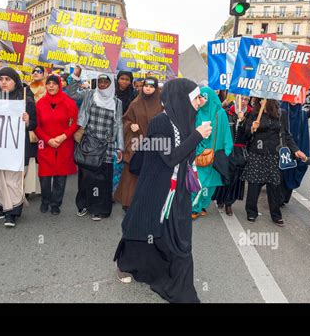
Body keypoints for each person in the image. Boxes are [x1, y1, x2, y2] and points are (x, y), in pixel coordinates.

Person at [113, 78, 211, 303]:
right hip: (155, 188)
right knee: (142, 228)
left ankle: (181, 289)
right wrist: (197, 136)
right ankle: (125, 264)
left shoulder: (187, 119)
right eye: (196, 97)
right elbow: (169, 158)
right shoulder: (160, 123)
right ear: (181, 98)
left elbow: (185, 157)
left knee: (180, 238)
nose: (201, 101)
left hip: (178, 192)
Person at [66, 68, 124, 221]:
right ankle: (84, 204)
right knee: (86, 176)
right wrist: (76, 75)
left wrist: (120, 147)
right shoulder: (90, 95)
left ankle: (99, 208)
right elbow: (71, 93)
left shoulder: (117, 102)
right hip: (89, 143)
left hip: (107, 146)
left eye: (106, 82)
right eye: (100, 81)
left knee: (103, 179)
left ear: (111, 84)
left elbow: (118, 124)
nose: (103, 84)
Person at [243, 99, 306, 227]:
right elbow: (246, 134)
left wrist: (296, 150)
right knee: (254, 184)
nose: (260, 102)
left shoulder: (281, 113)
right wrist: (251, 129)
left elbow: (287, 135)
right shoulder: (254, 114)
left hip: (274, 154)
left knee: (274, 186)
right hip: (257, 153)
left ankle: (276, 215)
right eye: (258, 99)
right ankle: (251, 212)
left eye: (262, 99)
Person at [0, 67, 37, 227]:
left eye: (7, 79)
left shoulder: (25, 99)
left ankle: (13, 213)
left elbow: (34, 125)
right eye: (1, 79)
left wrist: (28, 120)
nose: (3, 82)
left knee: (13, 180)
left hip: (17, 147)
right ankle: (2, 206)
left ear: (15, 81)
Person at [114, 77, 163, 211]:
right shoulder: (135, 103)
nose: (148, 88)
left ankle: (146, 204)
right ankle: (128, 204)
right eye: (146, 85)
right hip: (136, 144)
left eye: (152, 86)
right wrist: (131, 125)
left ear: (156, 88)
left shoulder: (161, 105)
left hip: (154, 145)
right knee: (132, 175)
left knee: (150, 175)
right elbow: (124, 120)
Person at [35, 75, 79, 216]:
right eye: (49, 83)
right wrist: (48, 140)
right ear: (46, 86)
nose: (51, 86)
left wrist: (63, 137)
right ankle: (45, 200)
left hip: (64, 143)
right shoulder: (40, 103)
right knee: (45, 177)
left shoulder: (69, 103)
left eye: (54, 83)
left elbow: (76, 123)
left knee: (60, 177)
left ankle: (55, 204)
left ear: (60, 85)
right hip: (45, 144)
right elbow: (36, 126)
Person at [191, 87, 233, 220]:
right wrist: (197, 149)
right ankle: (194, 207)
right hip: (200, 154)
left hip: (215, 156)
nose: (200, 100)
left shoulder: (220, 113)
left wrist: (227, 150)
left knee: (211, 184)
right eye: (198, 97)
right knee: (199, 182)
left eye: (202, 97)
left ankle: (203, 205)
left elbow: (226, 132)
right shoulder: (196, 112)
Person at [213, 95, 253, 216]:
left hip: (240, 150)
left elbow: (249, 136)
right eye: (242, 99)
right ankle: (220, 198)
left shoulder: (251, 114)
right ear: (236, 98)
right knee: (224, 174)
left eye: (247, 100)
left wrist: (245, 122)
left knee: (236, 178)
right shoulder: (227, 112)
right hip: (226, 148)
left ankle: (229, 203)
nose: (244, 102)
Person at [24, 66, 47, 196]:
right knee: (30, 155)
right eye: (34, 71)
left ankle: (40, 187)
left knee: (41, 157)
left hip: (44, 127)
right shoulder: (27, 88)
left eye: (39, 71)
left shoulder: (48, 88)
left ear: (44, 74)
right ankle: (27, 188)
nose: (36, 73)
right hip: (30, 127)